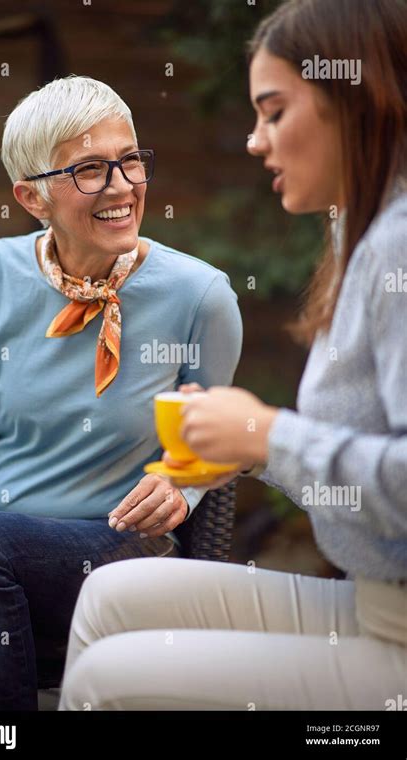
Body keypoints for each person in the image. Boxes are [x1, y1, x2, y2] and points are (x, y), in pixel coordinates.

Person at [58, 0, 407, 711]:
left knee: (106, 679)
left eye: (274, 112)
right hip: (373, 607)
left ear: (359, 99)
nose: (254, 141)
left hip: (395, 638)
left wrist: (266, 432)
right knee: (109, 595)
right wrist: (251, 452)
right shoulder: (364, 236)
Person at [0, 75, 242, 710]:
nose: (123, 186)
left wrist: (183, 481)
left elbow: (219, 437)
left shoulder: (201, 296)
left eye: (129, 160)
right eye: (91, 170)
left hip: (120, 547)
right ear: (32, 196)